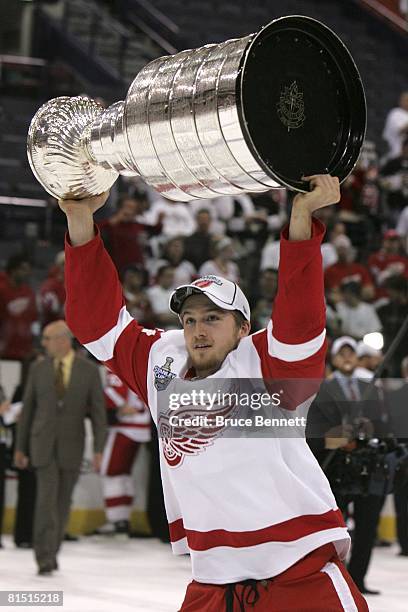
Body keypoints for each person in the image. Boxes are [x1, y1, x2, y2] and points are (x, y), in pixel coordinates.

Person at [59, 174, 368, 610]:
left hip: (296, 574)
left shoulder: (265, 364)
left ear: (243, 328)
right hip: (212, 580)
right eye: (189, 319)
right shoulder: (160, 362)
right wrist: (80, 221)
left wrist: (302, 218)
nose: (197, 330)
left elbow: (300, 320)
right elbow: (95, 321)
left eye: (212, 319)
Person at [14, 320, 107, 575]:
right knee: (45, 503)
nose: (43, 344)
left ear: (63, 340)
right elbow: (28, 410)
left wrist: (99, 449)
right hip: (41, 445)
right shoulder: (38, 369)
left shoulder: (88, 371)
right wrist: (20, 448)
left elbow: (99, 414)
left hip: (72, 446)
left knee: (62, 503)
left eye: (47, 339)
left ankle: (52, 552)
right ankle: (43, 557)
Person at [307, 336, 390, 595]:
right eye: (341, 354)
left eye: (350, 353)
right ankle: (335, 579)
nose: (346, 358)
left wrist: (371, 429)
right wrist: (332, 438)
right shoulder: (322, 389)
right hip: (335, 469)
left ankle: (358, 580)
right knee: (334, 529)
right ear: (333, 358)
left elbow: (383, 424)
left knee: (367, 528)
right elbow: (313, 431)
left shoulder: (370, 388)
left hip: (366, 466)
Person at [98, 368, 151, 535]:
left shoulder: (115, 362)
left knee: (112, 473)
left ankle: (117, 520)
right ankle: (122, 519)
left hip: (125, 426)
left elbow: (112, 390)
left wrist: (120, 407)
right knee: (123, 474)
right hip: (143, 425)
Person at [382, 92, 408, 161]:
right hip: (392, 153)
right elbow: (401, 130)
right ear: (401, 101)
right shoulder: (396, 112)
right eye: (406, 100)